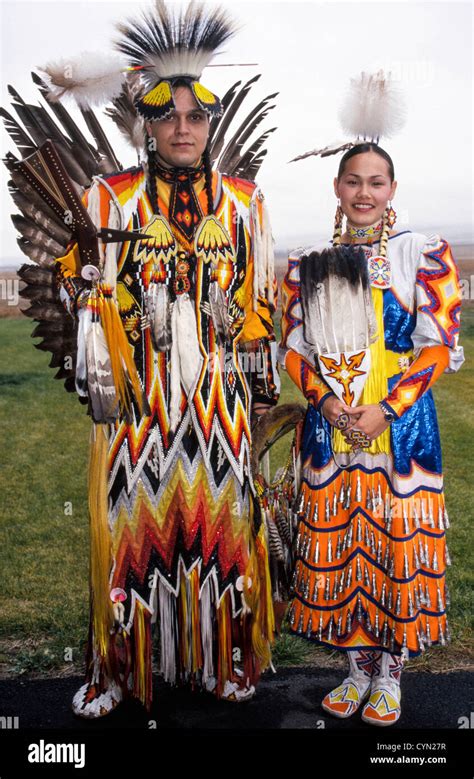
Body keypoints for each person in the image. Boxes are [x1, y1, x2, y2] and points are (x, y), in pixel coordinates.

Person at [49, 2, 279, 718]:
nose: (183, 128)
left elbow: (261, 300)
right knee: (130, 531)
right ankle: (117, 670)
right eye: (168, 116)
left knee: (222, 529)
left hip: (216, 399)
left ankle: (221, 658)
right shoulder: (108, 197)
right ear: (147, 124)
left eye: (195, 117)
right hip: (137, 399)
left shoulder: (244, 205)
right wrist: (97, 297)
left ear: (210, 124)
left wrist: (239, 338)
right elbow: (72, 283)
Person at [279, 137, 463, 726]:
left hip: (400, 433)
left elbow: (436, 349)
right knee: (344, 548)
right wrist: (327, 402)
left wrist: (387, 408)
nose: (364, 193)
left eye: (376, 182)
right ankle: (357, 668)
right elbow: (293, 351)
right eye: (353, 181)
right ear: (337, 188)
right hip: (332, 431)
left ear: (392, 190)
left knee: (394, 550)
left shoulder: (421, 253)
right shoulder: (306, 263)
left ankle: (391, 675)